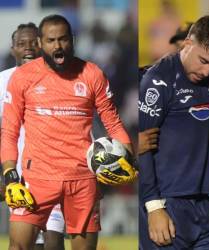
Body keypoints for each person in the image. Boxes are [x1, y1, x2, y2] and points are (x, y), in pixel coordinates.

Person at [1, 15, 133, 250]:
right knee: (18, 247)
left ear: (72, 40)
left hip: (82, 180)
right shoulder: (22, 78)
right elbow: (9, 130)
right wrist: (10, 171)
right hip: (36, 179)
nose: (58, 46)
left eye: (63, 39)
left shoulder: (92, 74)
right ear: (41, 44)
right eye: (51, 40)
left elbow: (113, 124)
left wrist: (130, 158)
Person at [139, 15, 209, 250]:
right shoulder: (157, 81)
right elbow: (143, 149)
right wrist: (153, 207)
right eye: (203, 61)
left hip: (204, 206)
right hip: (167, 205)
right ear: (187, 43)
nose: (206, 71)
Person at [0, 22, 65, 250]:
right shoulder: (2, 82)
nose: (27, 48)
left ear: (41, 45)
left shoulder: (60, 79)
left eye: (33, 43)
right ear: (12, 49)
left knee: (53, 240)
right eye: (21, 44)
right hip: (16, 177)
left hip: (54, 173)